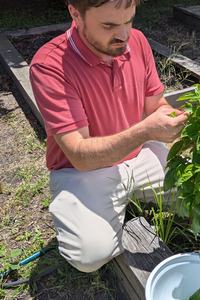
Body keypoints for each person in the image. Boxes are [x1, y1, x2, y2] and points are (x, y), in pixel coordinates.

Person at [29, 0, 188, 273]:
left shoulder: (136, 42)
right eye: (109, 25)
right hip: (85, 172)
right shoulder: (50, 66)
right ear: (76, 14)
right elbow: (80, 156)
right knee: (89, 255)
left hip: (140, 154)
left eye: (129, 21)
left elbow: (155, 105)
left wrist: (181, 122)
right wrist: (146, 130)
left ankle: (126, 200)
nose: (124, 34)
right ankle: (102, 207)